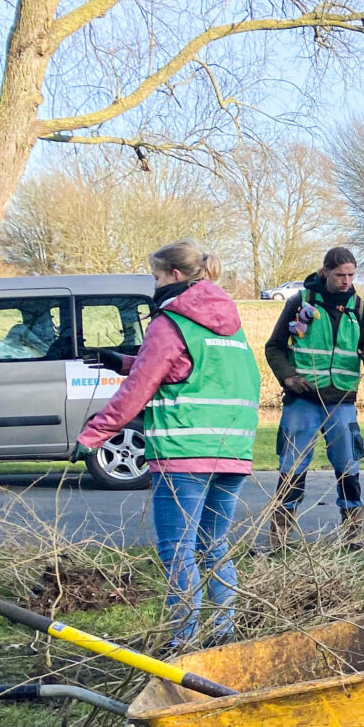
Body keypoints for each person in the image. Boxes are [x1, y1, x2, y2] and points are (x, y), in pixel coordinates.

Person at [76, 241, 261, 647]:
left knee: (177, 549)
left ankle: (184, 641)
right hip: (232, 451)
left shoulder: (169, 321)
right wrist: (120, 361)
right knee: (214, 546)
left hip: (183, 451)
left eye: (156, 277)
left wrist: (93, 436)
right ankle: (226, 635)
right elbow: (187, 370)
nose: (154, 285)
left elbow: (140, 389)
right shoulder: (230, 324)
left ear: (174, 276)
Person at [264, 246, 364, 547]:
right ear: (325, 272)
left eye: (351, 275)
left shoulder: (360, 309)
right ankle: (280, 538)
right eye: (340, 275)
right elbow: (274, 348)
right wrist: (289, 377)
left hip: (342, 402)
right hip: (302, 401)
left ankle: (352, 536)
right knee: (291, 468)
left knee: (348, 468)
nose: (346, 281)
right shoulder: (299, 302)